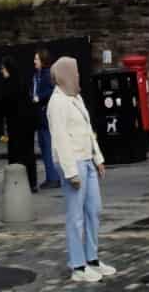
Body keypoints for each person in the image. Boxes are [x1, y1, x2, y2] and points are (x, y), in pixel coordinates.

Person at [47, 57, 116, 284]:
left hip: (86, 159)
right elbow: (60, 139)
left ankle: (92, 259)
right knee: (75, 216)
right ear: (65, 74)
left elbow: (87, 129)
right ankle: (78, 266)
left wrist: (98, 158)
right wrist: (71, 172)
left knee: (94, 211)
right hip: (73, 163)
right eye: (74, 72)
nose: (77, 76)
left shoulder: (75, 97)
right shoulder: (57, 102)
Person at [0, 57, 38, 194]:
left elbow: (3, 105)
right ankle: (32, 182)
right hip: (27, 125)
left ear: (8, 69)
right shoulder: (22, 82)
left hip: (15, 125)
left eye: (3, 68)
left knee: (16, 155)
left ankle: (16, 183)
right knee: (28, 153)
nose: (1, 71)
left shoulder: (7, 85)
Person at [32, 47, 60, 188]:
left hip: (46, 116)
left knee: (48, 147)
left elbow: (52, 91)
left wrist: (38, 97)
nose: (34, 61)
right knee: (44, 147)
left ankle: (54, 177)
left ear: (43, 60)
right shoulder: (38, 75)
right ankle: (50, 176)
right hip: (40, 117)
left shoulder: (47, 74)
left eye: (36, 59)